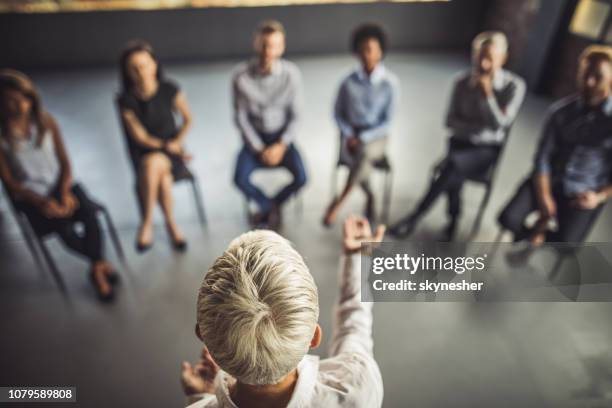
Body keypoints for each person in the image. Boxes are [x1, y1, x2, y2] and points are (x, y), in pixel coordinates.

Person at [180, 215, 385, 407]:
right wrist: (357, 258)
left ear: (204, 336)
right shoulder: (358, 388)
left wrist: (202, 397)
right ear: (313, 337)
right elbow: (354, 331)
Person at [389, 31, 526, 241]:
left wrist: (487, 95)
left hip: (485, 151)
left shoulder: (513, 86)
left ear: (503, 59)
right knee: (454, 170)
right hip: (458, 144)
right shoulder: (461, 82)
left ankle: (415, 217)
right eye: (479, 56)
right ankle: (454, 219)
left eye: (490, 57)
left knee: (451, 167)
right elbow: (450, 122)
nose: (483, 63)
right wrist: (479, 127)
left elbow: (500, 124)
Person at [0, 69, 118, 301]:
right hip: (32, 196)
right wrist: (42, 202)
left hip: (61, 184)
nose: (20, 105)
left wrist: (64, 192)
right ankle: (100, 266)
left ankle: (96, 268)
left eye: (24, 98)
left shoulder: (46, 121)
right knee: (64, 230)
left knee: (89, 215)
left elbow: (65, 162)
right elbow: (11, 183)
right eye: (12, 100)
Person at [498, 45, 612, 244]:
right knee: (507, 218)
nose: (589, 82)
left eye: (597, 77)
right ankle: (535, 232)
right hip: (548, 181)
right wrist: (544, 198)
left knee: (568, 244)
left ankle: (538, 233)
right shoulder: (559, 112)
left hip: (582, 192)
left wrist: (599, 197)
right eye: (584, 74)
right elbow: (542, 159)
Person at [117, 40, 192, 252]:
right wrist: (169, 146)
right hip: (146, 153)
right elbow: (140, 137)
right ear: (127, 72)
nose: (141, 72)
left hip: (172, 153)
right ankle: (171, 225)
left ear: (155, 64)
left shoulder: (170, 88)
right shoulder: (125, 100)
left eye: (145, 65)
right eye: (134, 68)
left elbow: (188, 119)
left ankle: (147, 222)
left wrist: (177, 142)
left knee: (154, 165)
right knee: (159, 173)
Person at [232, 20, 307, 230]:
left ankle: (271, 206)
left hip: (281, 138)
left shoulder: (291, 75)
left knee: (302, 178)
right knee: (239, 179)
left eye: (274, 45)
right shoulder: (240, 76)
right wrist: (258, 148)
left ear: (281, 47)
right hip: (255, 140)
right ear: (256, 45)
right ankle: (268, 207)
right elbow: (241, 118)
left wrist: (281, 145)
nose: (268, 51)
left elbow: (297, 117)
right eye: (264, 44)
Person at [323, 23, 399, 226]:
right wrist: (348, 134)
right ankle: (371, 196)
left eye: (371, 49)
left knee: (364, 153)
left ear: (381, 52)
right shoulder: (347, 81)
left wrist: (363, 138)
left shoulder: (390, 83)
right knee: (360, 160)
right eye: (362, 49)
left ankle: (338, 203)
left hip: (376, 137)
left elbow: (388, 122)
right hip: (350, 135)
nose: (366, 54)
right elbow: (337, 113)